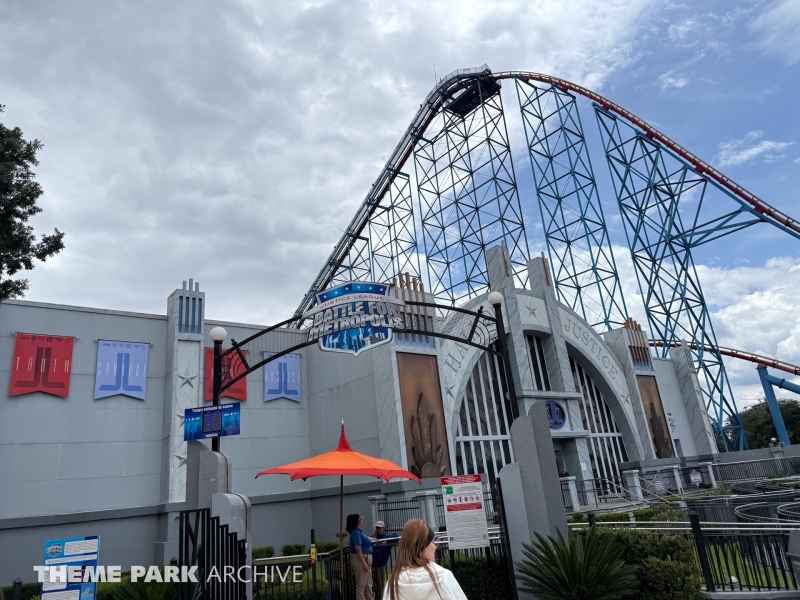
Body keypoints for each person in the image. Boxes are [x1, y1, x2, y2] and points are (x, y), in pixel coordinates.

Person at [384, 519, 467, 600]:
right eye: (432, 542)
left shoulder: (392, 584)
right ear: (422, 546)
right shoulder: (444, 577)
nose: (435, 547)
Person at [346, 513, 374, 600]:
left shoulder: (359, 532)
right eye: (361, 519)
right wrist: (364, 563)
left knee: (368, 584)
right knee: (362, 584)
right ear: (358, 521)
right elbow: (358, 549)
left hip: (365, 557)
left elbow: (365, 539)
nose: (362, 520)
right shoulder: (356, 532)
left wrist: (372, 539)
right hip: (361, 559)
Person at [371, 520, 398, 598]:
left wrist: (387, 541)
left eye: (380, 528)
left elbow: (396, 536)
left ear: (383, 528)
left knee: (380, 586)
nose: (378, 529)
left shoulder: (386, 536)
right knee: (371, 586)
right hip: (372, 565)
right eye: (377, 528)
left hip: (380, 566)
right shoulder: (373, 537)